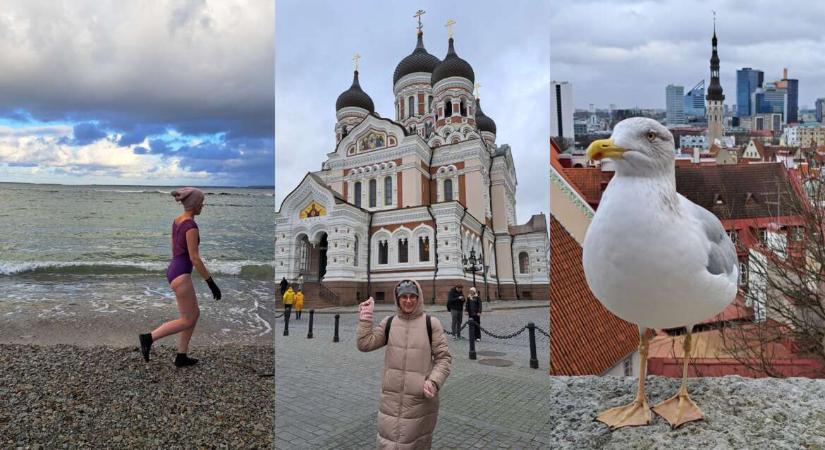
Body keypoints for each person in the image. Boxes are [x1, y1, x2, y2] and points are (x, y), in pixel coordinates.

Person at [357, 280, 451, 449]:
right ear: (397, 299)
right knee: (388, 444)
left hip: (420, 402)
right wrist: (366, 319)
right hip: (390, 402)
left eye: (412, 296)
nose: (408, 301)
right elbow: (365, 344)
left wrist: (434, 381)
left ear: (419, 297)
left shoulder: (431, 324)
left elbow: (443, 358)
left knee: (414, 444)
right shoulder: (389, 323)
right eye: (404, 297)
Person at [139, 187, 221, 367]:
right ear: (194, 204)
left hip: (174, 269)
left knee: (193, 314)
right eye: (201, 202)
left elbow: (176, 248)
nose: (203, 205)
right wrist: (211, 283)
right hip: (181, 274)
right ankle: (149, 338)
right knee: (187, 319)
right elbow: (195, 258)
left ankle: (181, 356)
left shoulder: (177, 221)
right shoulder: (191, 226)